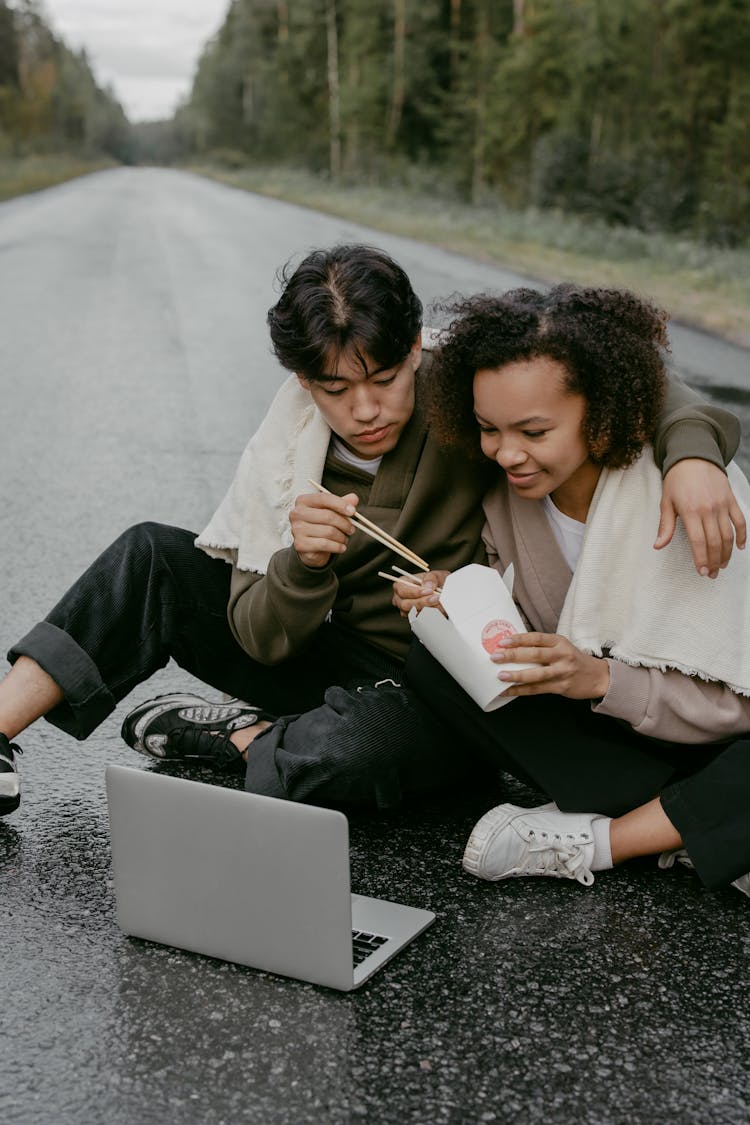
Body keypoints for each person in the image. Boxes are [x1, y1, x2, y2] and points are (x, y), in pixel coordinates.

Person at [0, 248, 744, 818]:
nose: (365, 408)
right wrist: (301, 562)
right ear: (301, 382)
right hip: (324, 650)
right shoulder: (286, 451)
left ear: (418, 347)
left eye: (384, 378)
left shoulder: (472, 394)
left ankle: (242, 738)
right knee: (149, 554)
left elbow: (621, 368)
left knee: (350, 753)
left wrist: (693, 456)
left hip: (438, 683)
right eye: (334, 389)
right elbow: (260, 638)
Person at [400, 284, 750, 897]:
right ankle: (691, 829)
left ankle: (602, 843)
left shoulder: (685, 498)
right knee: (433, 655)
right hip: (610, 747)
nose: (507, 453)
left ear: (605, 409)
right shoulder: (506, 497)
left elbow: (736, 703)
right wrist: (460, 599)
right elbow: (517, 629)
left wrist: (601, 680)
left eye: (534, 432)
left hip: (711, 746)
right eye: (488, 429)